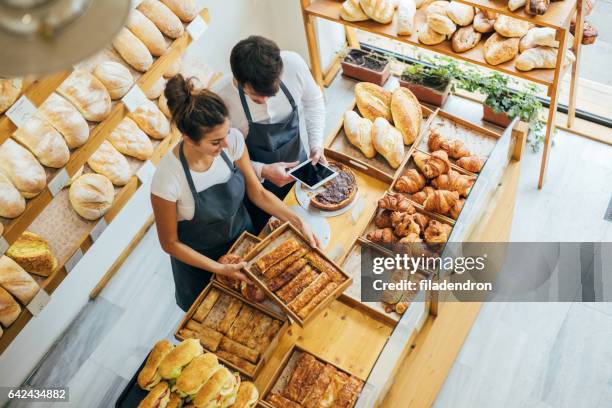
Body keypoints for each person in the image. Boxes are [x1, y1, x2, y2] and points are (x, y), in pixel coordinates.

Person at [151, 75, 318, 311]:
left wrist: (297, 221)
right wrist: (219, 269)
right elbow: (170, 243)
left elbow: (257, 193)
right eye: (216, 142)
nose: (227, 145)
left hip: (244, 244)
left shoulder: (234, 142)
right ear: (189, 139)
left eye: (227, 133)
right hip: (201, 265)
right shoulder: (168, 179)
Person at [214, 35, 326, 232]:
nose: (266, 100)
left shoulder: (293, 65)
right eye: (257, 96)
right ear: (239, 81)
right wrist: (261, 170)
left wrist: (316, 144)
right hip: (256, 186)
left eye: (271, 93)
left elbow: (314, 101)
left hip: (298, 168)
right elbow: (221, 157)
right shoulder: (220, 100)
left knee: (313, 223)